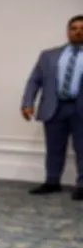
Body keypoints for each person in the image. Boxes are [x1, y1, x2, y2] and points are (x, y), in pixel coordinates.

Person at [21, 15, 83, 200]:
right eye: (74, 28)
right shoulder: (49, 55)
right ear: (68, 31)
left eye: (82, 28)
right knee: (54, 148)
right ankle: (52, 181)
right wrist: (27, 102)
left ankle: (82, 185)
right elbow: (35, 80)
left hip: (79, 108)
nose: (78, 32)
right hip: (54, 108)